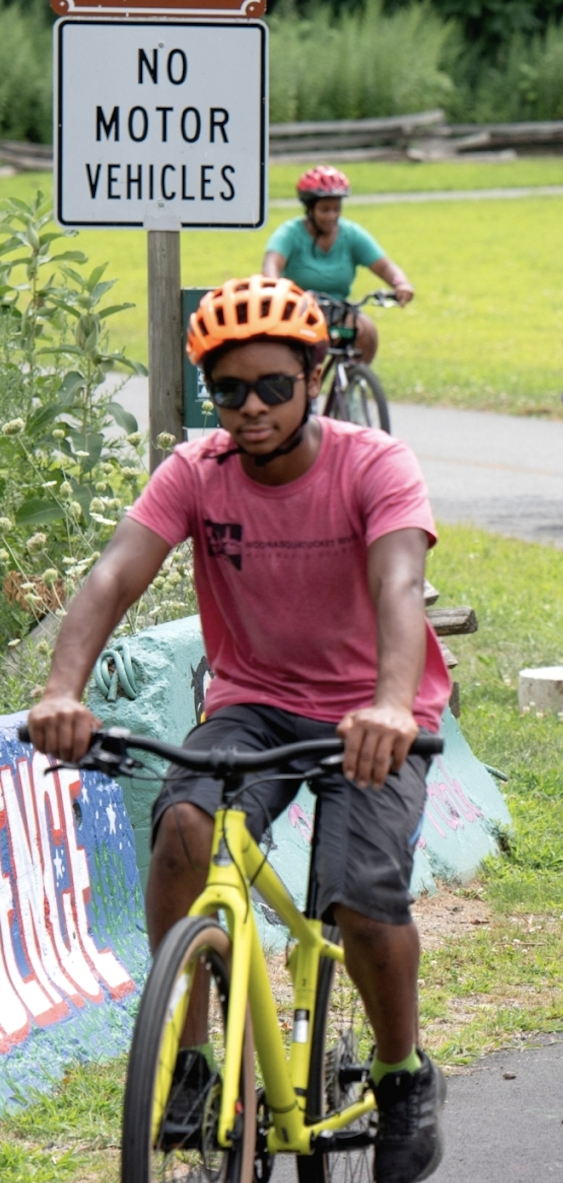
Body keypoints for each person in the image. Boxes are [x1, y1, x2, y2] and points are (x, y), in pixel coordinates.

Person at [25, 276, 449, 1182]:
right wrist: (61, 691)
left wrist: (389, 704)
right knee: (183, 827)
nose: (250, 408)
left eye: (272, 386)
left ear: (315, 378)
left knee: (361, 900)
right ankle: (187, 1061)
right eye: (228, 391)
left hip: (374, 710)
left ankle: (402, 1072)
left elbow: (400, 585)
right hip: (252, 703)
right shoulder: (197, 472)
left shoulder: (375, 464)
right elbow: (112, 578)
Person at [263, 166, 414, 366]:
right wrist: (274, 287)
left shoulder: (350, 234)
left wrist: (400, 283)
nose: (331, 216)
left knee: (365, 330)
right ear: (309, 209)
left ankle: (352, 379)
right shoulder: (290, 233)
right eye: (324, 210)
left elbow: (385, 266)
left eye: (336, 209)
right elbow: (272, 264)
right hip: (300, 309)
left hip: (337, 310)